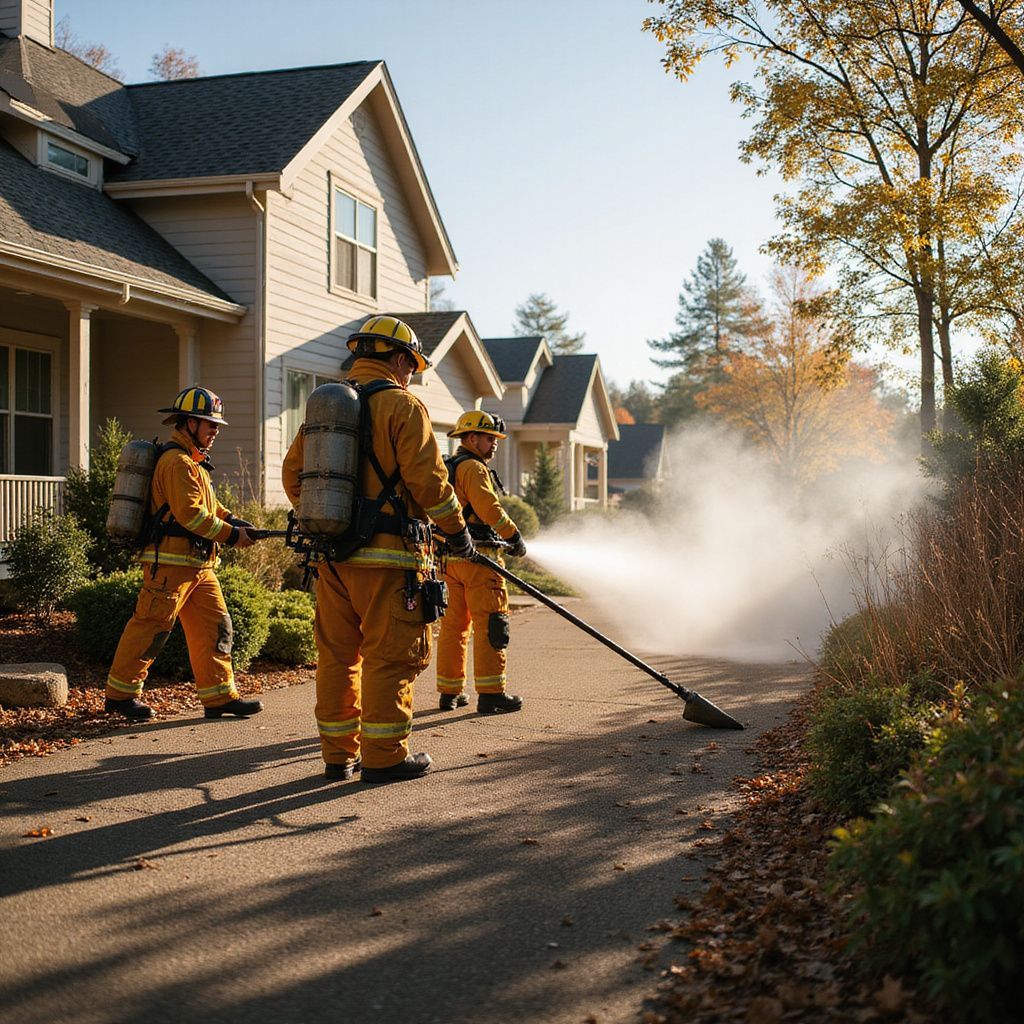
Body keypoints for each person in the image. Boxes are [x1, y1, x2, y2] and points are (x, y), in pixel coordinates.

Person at [282, 314, 475, 784]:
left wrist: (335, 520)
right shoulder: (403, 406)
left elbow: (294, 477)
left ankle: (337, 755)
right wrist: (456, 530)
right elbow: (429, 481)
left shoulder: (327, 408)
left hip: (332, 558)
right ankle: (385, 756)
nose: (414, 374)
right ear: (398, 358)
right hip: (391, 562)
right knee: (390, 656)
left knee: (337, 658)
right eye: (413, 364)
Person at [105, 386, 264, 723]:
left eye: (216, 425)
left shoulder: (193, 463)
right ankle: (120, 695)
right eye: (210, 424)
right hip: (171, 566)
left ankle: (219, 696)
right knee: (151, 627)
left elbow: (208, 507)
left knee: (216, 627)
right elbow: (191, 515)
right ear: (189, 424)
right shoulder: (176, 462)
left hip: (199, 566)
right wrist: (233, 535)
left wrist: (232, 519)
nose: (216, 431)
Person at [436, 410, 527, 714]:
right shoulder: (474, 468)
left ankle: (450, 692)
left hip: (450, 560)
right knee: (491, 625)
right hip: (481, 561)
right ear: (471, 438)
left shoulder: (449, 467)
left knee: (453, 629)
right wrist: (513, 535)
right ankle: (491, 693)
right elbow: (488, 507)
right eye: (490, 439)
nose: (495, 445)